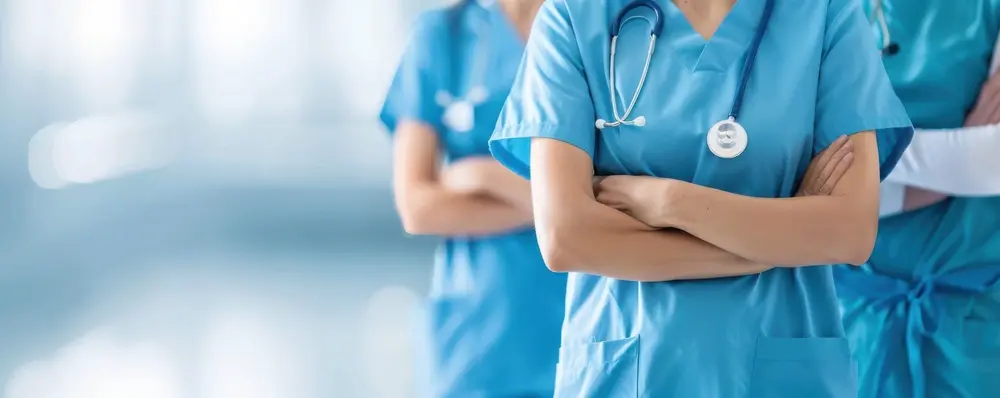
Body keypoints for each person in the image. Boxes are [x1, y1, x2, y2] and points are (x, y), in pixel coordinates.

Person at [487, 0, 914, 396]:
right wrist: (772, 245)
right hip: (628, 373)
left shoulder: (825, 12)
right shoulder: (574, 15)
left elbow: (850, 232)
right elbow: (567, 239)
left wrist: (671, 201)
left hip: (782, 367)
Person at [378, 1, 564, 397]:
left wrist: (482, 176)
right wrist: (566, 208)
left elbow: (626, 187)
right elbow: (419, 207)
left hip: (587, 307)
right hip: (481, 327)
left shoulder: (598, 26)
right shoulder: (444, 34)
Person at [835, 1, 1000, 397]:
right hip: (847, 322)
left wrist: (859, 159)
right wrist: (955, 158)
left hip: (973, 328)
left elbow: (991, 159)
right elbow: (796, 179)